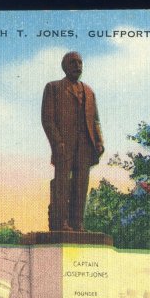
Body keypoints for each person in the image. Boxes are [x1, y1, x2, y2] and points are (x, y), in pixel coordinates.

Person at [41, 51, 105, 231]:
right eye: (73, 63)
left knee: (81, 184)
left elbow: (95, 120)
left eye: (80, 63)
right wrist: (57, 142)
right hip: (64, 145)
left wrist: (99, 141)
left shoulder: (89, 92)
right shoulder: (53, 88)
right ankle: (61, 223)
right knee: (62, 184)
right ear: (65, 66)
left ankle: (78, 223)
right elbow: (47, 119)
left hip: (85, 144)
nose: (78, 66)